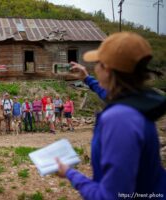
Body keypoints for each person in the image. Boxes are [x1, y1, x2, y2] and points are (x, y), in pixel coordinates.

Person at [56, 32, 166, 199]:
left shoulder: (119, 119)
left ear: (106, 69)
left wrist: (71, 174)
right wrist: (87, 78)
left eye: (98, 63)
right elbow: (111, 97)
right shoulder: (136, 101)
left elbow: (110, 196)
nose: (95, 67)